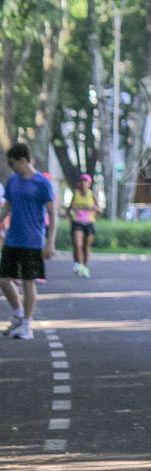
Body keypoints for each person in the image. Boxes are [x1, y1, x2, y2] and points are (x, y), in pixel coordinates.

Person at [0, 144, 57, 340]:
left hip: (33, 241)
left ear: (23, 160)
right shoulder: (12, 180)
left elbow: (52, 213)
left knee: (28, 282)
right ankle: (18, 314)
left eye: (12, 163)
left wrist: (50, 241)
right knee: (3, 279)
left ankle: (27, 326)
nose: (11, 167)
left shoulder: (42, 183)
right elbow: (6, 208)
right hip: (12, 239)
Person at [68, 174, 102, 278]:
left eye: (85, 181)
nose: (83, 183)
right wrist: (72, 210)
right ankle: (80, 265)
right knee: (78, 245)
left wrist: (92, 207)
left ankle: (85, 266)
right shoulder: (76, 193)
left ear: (89, 183)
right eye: (82, 181)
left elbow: (100, 210)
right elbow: (69, 209)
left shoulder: (92, 195)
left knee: (86, 246)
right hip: (78, 222)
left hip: (89, 223)